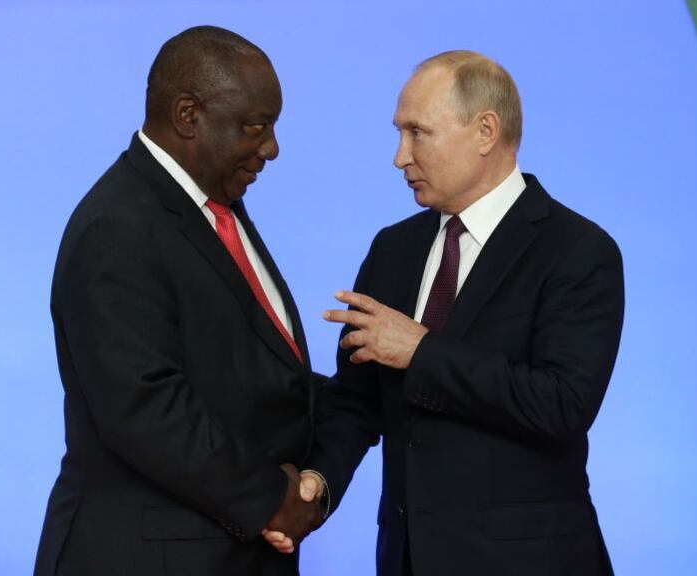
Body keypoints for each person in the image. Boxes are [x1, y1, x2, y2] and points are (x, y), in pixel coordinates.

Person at [265, 50, 624, 575]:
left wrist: (421, 352)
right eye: (399, 133)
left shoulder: (577, 250)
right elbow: (356, 400)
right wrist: (318, 480)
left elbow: (561, 404)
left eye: (418, 133)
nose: (400, 157)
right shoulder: (393, 248)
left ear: (485, 131)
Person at [34, 26, 321, 576]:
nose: (271, 148)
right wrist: (270, 497)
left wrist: (354, 405)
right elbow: (144, 407)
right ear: (188, 115)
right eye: (256, 127)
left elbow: (243, 372)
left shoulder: (211, 205)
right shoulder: (116, 226)